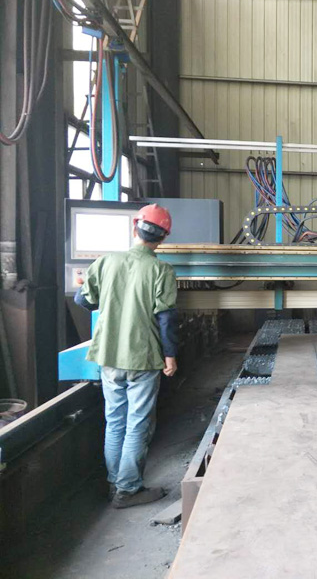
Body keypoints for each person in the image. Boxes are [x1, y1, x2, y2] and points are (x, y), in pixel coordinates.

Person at [74, 203, 179, 509]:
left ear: (135, 227)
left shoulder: (106, 261)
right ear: (163, 237)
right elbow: (165, 318)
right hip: (142, 356)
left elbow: (84, 301)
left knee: (115, 420)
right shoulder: (161, 270)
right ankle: (128, 490)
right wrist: (170, 355)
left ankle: (115, 482)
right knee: (138, 424)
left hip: (109, 355)